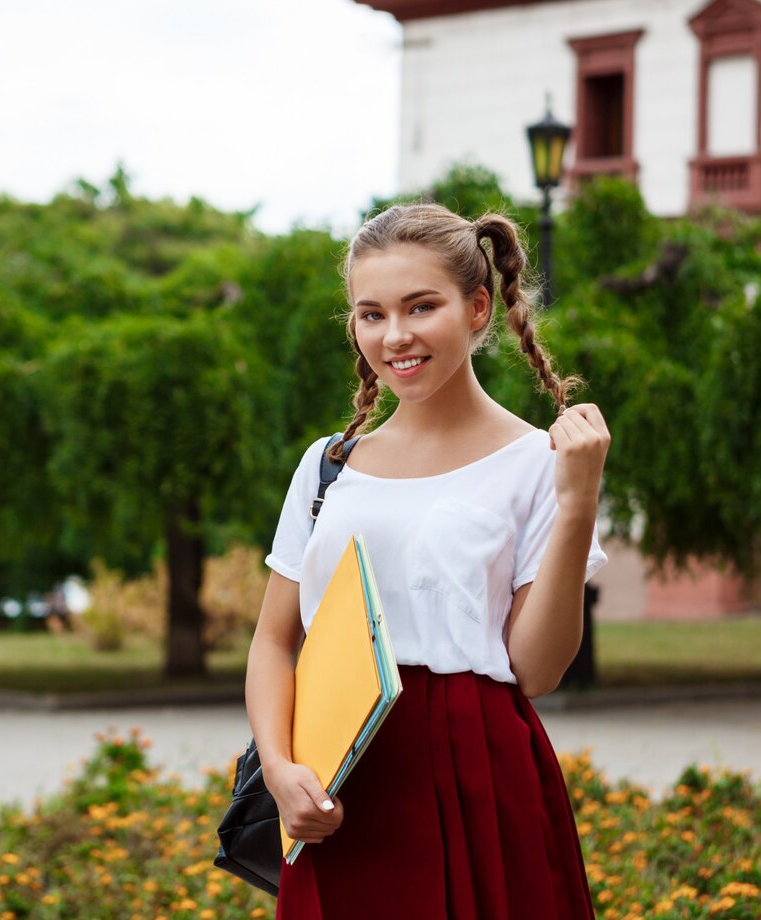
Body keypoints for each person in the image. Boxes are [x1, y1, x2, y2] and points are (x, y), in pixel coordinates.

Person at [244, 202, 610, 919]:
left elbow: (537, 669)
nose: (396, 336)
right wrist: (281, 769)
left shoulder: (541, 464)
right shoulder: (328, 465)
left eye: (421, 307)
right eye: (371, 314)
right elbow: (274, 639)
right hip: (337, 778)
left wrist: (578, 503)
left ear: (477, 308)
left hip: (477, 767)